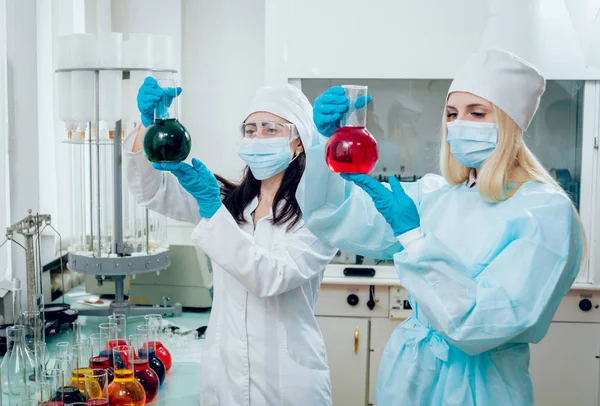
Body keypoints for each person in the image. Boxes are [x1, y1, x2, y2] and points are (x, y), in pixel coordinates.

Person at [300, 47, 585, 405]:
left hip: (479, 388)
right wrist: (325, 140)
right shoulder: (439, 195)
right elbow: (336, 218)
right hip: (408, 378)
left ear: (511, 124)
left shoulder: (544, 212)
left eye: (477, 113)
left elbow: (477, 325)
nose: (459, 123)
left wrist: (415, 238)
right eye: (452, 113)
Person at [126, 79, 337, 405]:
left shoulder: (320, 214)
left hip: (288, 382)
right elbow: (151, 191)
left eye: (270, 129)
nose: (256, 138)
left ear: (299, 143)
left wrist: (212, 210)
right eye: (250, 130)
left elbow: (269, 277)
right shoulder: (230, 201)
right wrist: (148, 124)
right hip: (224, 374)